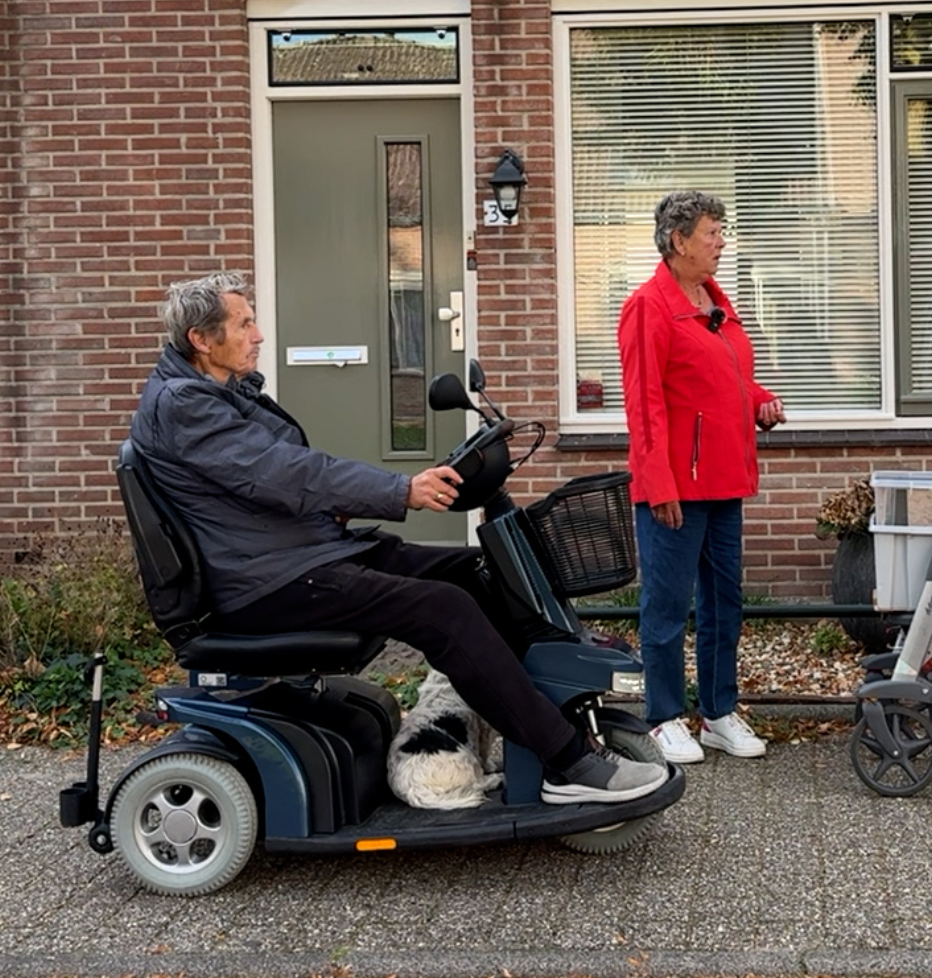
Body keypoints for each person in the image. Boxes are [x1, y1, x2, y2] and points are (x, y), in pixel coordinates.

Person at [128, 272, 667, 806]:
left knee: (474, 572)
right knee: (442, 609)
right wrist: (400, 490)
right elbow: (285, 472)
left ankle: (534, 720)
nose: (259, 334)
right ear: (202, 339)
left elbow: (263, 479)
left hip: (297, 553)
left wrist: (353, 500)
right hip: (266, 582)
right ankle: (567, 760)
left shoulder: (215, 392)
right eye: (244, 324)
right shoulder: (185, 405)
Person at [618, 191, 785, 764]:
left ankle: (717, 712)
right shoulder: (649, 306)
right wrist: (658, 484)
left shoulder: (715, 300)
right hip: (676, 488)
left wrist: (759, 400)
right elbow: (643, 404)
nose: (721, 242)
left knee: (724, 603)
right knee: (667, 607)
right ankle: (663, 717)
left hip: (725, 478)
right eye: (712, 232)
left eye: (721, 231)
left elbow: (728, 374)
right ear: (678, 240)